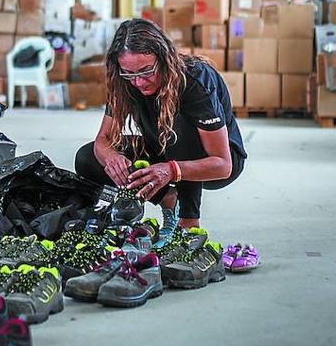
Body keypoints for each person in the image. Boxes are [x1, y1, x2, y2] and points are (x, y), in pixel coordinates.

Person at [74, 18, 247, 247]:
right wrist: (112, 159)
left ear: (164, 59)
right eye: (129, 73)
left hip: (214, 162)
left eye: (146, 71)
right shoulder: (125, 81)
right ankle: (169, 200)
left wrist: (171, 170)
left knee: (176, 131)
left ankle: (188, 225)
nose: (138, 81)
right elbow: (102, 141)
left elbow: (223, 165)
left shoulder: (194, 80)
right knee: (88, 157)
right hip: (164, 147)